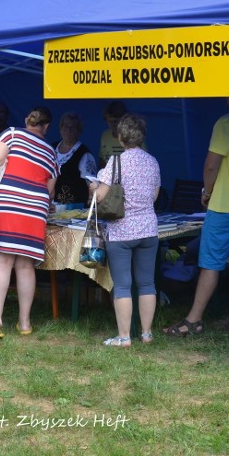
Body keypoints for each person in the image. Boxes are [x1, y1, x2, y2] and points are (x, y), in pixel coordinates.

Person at [163, 95, 229, 337]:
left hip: (225, 205)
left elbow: (211, 165)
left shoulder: (227, 122)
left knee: (210, 264)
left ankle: (194, 319)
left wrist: (207, 192)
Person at [0, 106, 58, 339]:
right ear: (46, 127)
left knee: (2, 262)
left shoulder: (12, 134)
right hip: (35, 208)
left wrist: (0, 176)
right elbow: (50, 189)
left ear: (27, 120)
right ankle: (24, 322)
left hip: (6, 201)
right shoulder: (50, 151)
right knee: (25, 265)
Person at [90, 113, 160, 347]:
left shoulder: (115, 162)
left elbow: (100, 196)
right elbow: (154, 196)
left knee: (122, 285)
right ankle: (147, 333)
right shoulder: (152, 162)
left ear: (120, 137)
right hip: (148, 229)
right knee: (147, 283)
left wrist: (93, 187)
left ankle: (124, 336)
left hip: (121, 231)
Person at [53, 111, 97, 205]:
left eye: (73, 127)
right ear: (60, 128)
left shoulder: (84, 154)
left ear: (79, 131)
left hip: (75, 209)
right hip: (52, 207)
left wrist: (90, 203)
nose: (69, 130)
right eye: (66, 126)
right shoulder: (52, 148)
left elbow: (92, 183)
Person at [99, 100, 147, 166]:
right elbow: (102, 160)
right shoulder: (105, 135)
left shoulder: (133, 136)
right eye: (110, 121)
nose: (113, 124)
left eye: (116, 120)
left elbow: (143, 161)